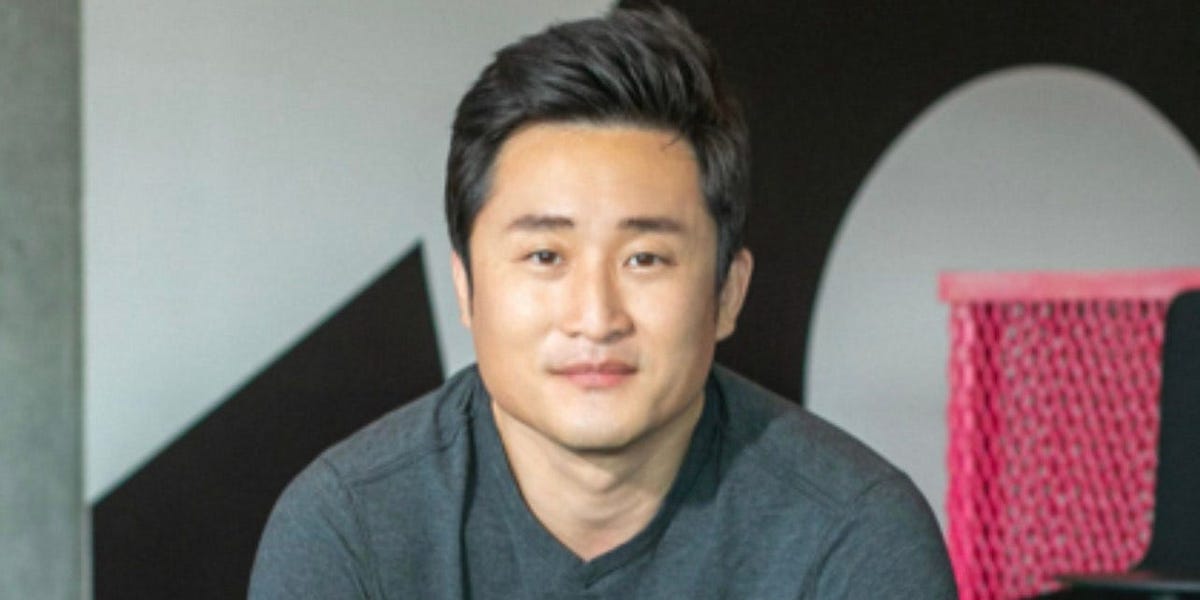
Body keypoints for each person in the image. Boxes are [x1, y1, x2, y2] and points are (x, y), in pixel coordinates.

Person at [249, 5, 956, 598]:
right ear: (466, 288)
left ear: (727, 293)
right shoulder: (349, 530)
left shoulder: (855, 537)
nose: (595, 317)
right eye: (545, 256)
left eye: (644, 259)